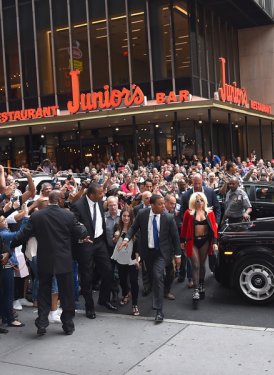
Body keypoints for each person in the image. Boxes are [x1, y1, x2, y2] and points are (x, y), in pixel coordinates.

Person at [10, 191, 90, 336]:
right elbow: (81, 232)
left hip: (45, 259)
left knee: (44, 291)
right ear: (59, 199)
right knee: (66, 294)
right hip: (63, 259)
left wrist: (11, 245)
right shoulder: (68, 215)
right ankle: (68, 325)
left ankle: (42, 322)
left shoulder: (37, 216)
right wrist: (83, 228)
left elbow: (23, 235)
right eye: (63, 198)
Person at [119, 194, 181, 323]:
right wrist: (126, 239)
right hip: (147, 252)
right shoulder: (142, 214)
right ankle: (157, 294)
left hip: (162, 253)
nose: (163, 206)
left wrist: (178, 255)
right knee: (154, 278)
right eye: (160, 204)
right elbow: (134, 227)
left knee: (158, 275)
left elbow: (175, 238)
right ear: (152, 205)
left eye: (164, 203)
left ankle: (159, 311)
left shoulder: (168, 218)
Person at [71, 182, 117, 321]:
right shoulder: (78, 206)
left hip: (99, 242)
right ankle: (89, 306)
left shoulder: (99, 202)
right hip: (86, 244)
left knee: (108, 271)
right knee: (87, 275)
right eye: (100, 193)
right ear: (91, 194)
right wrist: (81, 237)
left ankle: (103, 300)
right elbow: (73, 225)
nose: (103, 195)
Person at [181, 192, 218, 309]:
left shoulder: (209, 213)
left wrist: (215, 243)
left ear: (204, 201)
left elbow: (214, 228)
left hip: (205, 241)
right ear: (193, 202)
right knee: (195, 265)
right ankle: (196, 290)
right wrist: (182, 241)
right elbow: (184, 227)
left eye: (201, 200)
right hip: (193, 241)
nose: (199, 202)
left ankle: (201, 283)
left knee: (202, 265)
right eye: (197, 200)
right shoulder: (189, 213)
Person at [111, 206, 140, 316]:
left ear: (131, 217)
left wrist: (137, 260)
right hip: (120, 258)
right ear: (121, 216)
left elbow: (138, 246)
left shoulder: (135, 228)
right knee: (122, 279)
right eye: (124, 215)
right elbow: (114, 242)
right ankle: (125, 294)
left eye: (128, 216)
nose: (126, 218)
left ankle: (135, 305)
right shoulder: (117, 227)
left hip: (132, 258)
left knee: (134, 281)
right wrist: (117, 237)